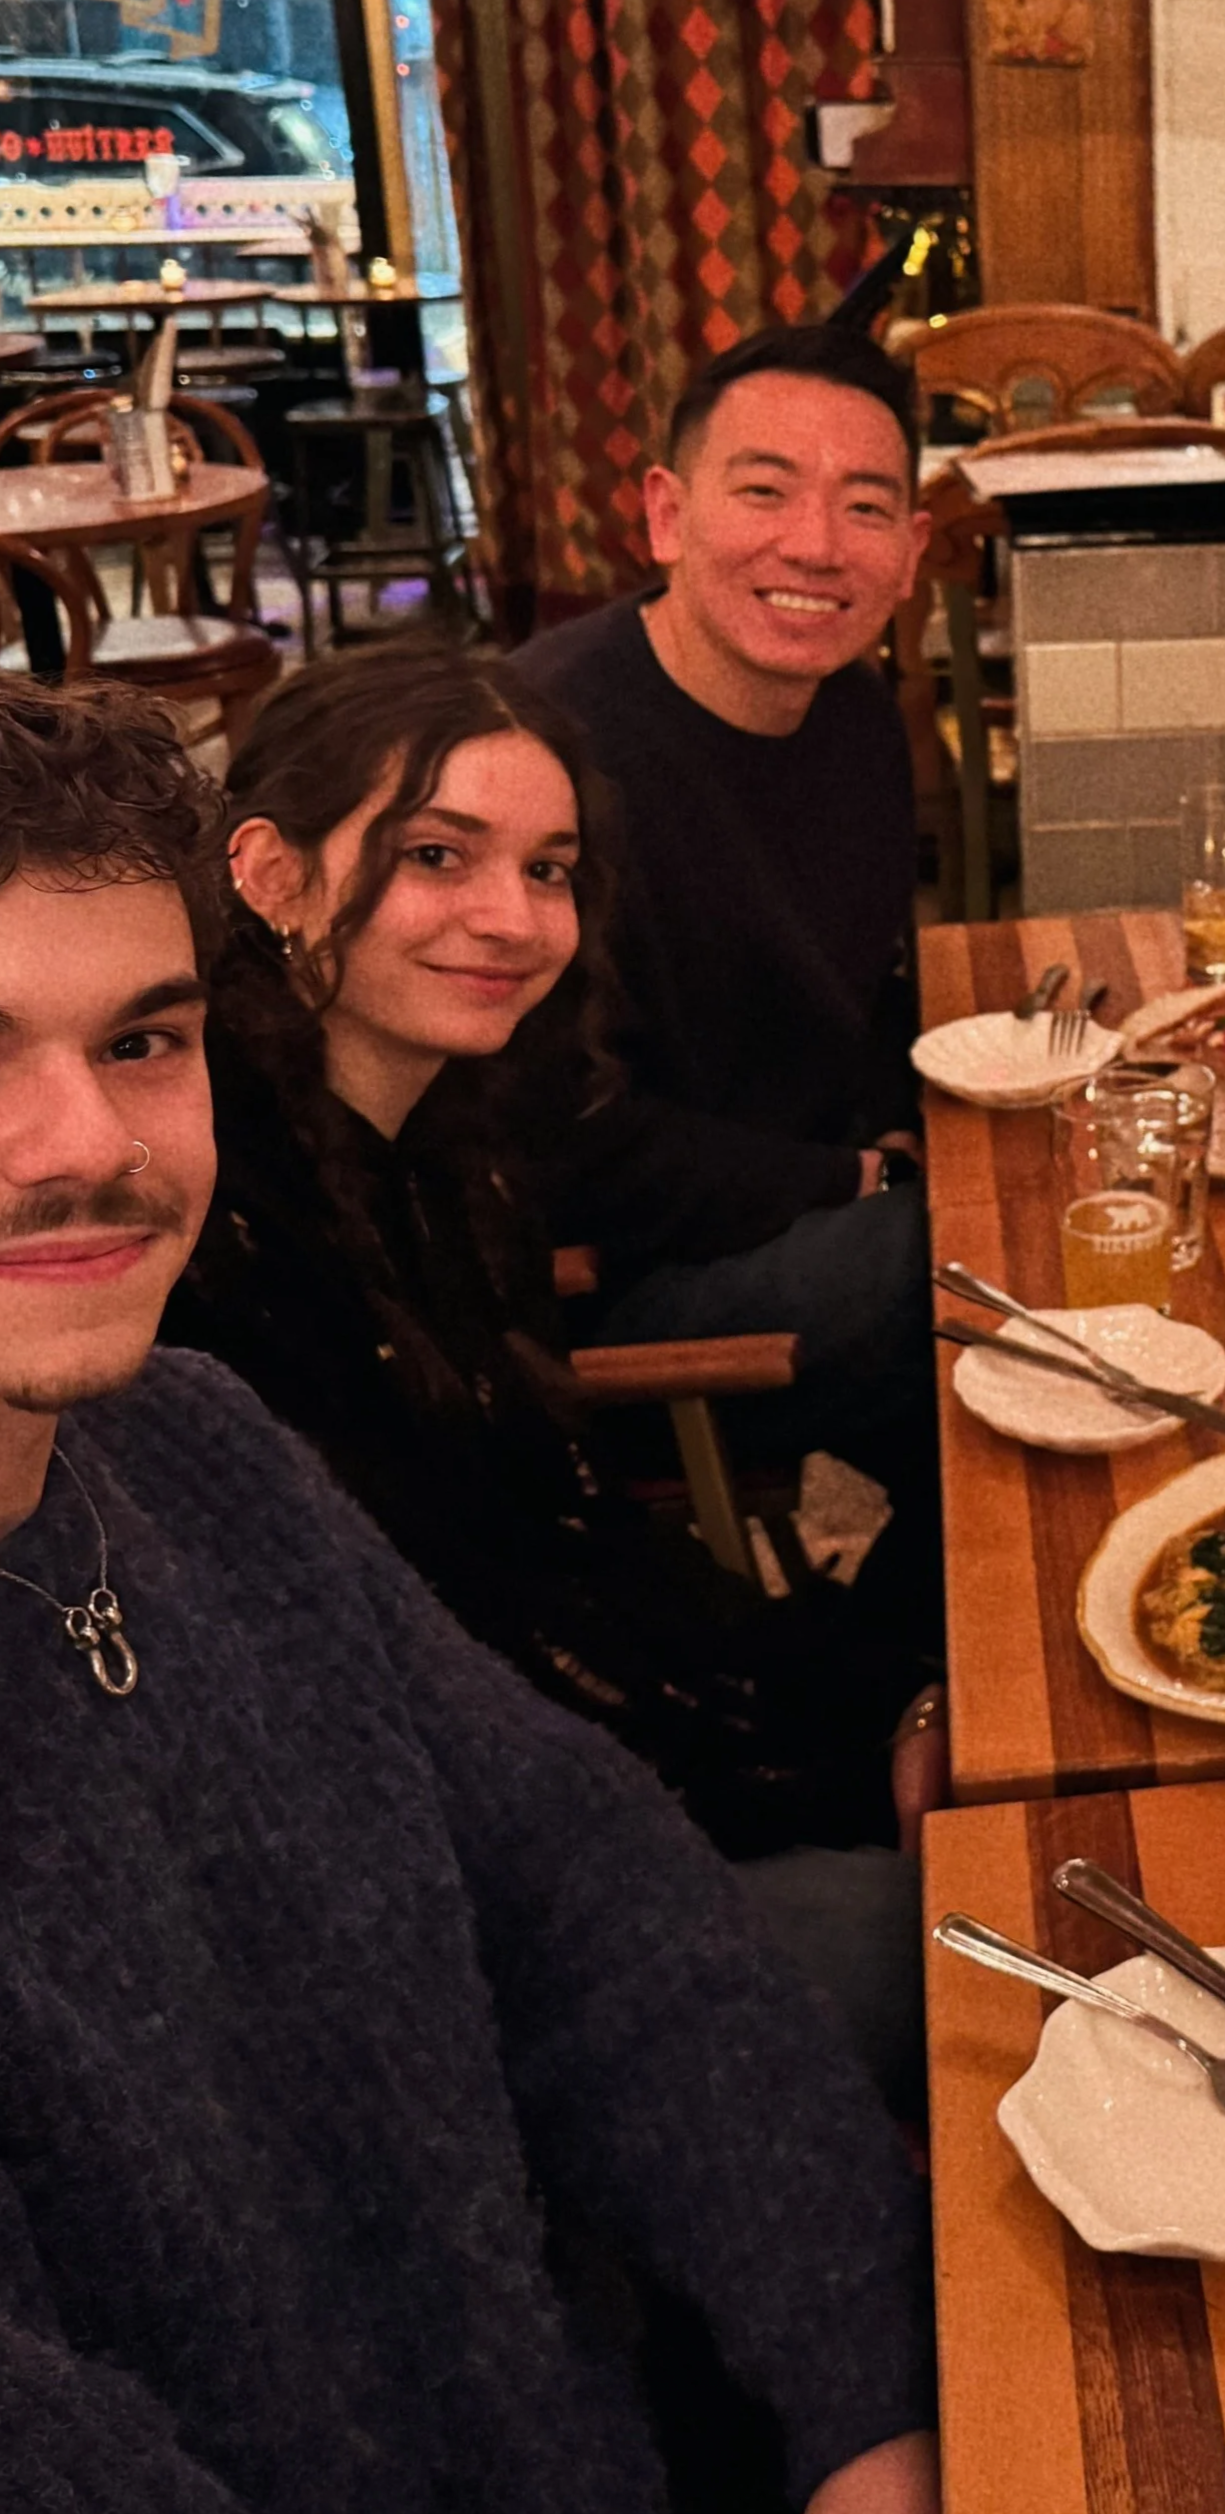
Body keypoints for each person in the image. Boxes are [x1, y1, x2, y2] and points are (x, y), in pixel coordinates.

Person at [0, 676, 935, 2513]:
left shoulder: (195, 1450)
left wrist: (868, 2399)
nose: (80, 1144)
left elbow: (594, 1895)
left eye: (139, 1042)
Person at [156, 640, 931, 2105]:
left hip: (569, 1755)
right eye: (438, 854)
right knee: (963, 1953)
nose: (510, 917)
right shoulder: (221, 1240)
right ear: (267, 873)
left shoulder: (448, 1151)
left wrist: (892, 1700)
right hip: (434, 1943)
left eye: (551, 867)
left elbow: (562, 1547)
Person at [508, 323, 937, 1521]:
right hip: (608, 1305)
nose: (813, 543)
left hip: (790, 1212)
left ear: (908, 554)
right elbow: (552, 1143)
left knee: (1057, 1201)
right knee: (984, 1271)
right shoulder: (541, 755)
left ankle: (937, 1663)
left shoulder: (854, 722)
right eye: (764, 490)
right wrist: (856, 1174)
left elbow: (840, 1003)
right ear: (666, 513)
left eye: (863, 508)